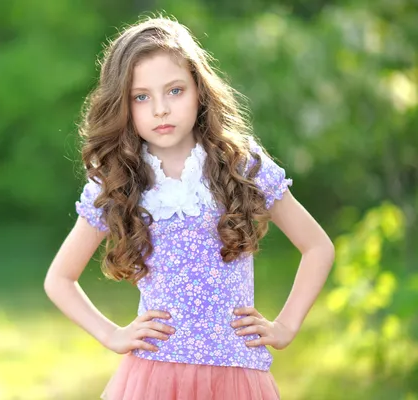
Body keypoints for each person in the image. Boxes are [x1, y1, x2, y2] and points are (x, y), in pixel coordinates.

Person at [44, 15, 335, 400]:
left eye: (175, 91)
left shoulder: (240, 164)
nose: (160, 109)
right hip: (153, 377)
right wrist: (113, 334)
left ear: (199, 90)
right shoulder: (119, 180)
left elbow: (318, 247)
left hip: (237, 374)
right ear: (123, 104)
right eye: (141, 96)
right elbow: (59, 279)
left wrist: (286, 326)